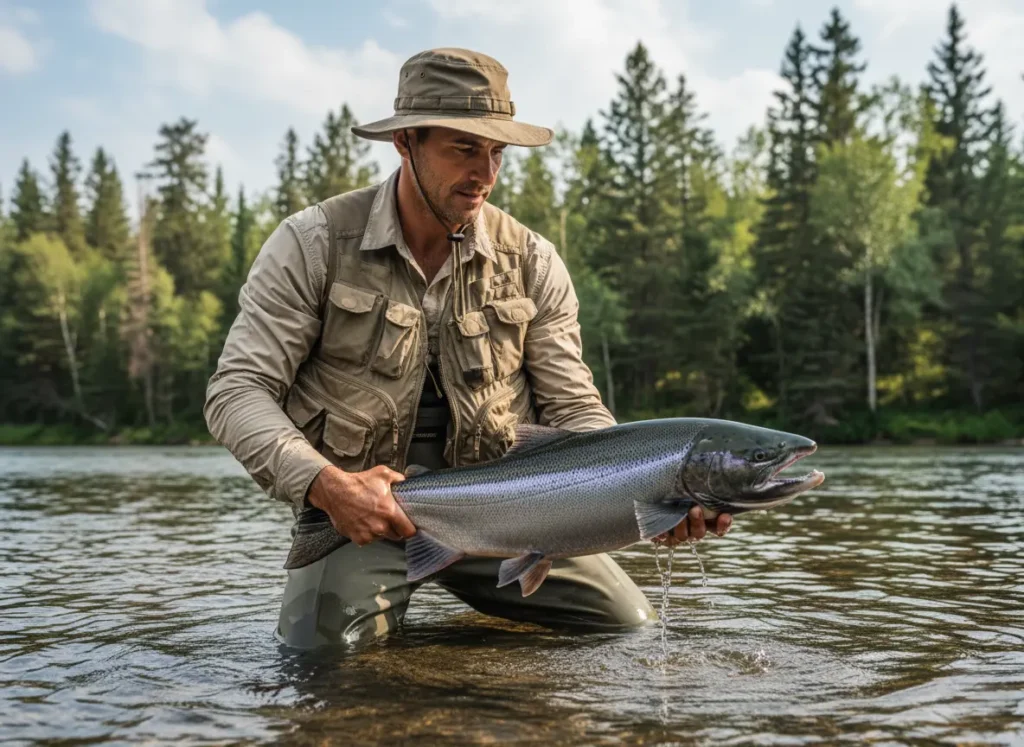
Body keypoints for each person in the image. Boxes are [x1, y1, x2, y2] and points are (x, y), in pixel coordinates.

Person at [204, 47, 732, 649]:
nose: (485, 171)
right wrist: (326, 485)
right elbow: (236, 392)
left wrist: (639, 494)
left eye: (497, 151)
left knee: (625, 630)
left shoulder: (532, 260)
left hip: (516, 513)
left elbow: (573, 408)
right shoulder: (313, 243)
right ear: (405, 142)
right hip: (361, 517)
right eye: (463, 147)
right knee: (328, 660)